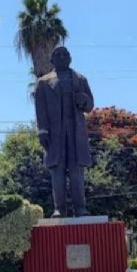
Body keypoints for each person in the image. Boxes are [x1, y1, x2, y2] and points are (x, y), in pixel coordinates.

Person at [34, 46, 93, 217]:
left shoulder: (80, 79)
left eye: (65, 54)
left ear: (70, 58)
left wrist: (84, 99)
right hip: (54, 133)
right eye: (58, 55)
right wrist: (42, 130)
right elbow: (40, 109)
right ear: (52, 60)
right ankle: (59, 208)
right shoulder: (44, 82)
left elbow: (90, 105)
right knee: (57, 170)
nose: (62, 57)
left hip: (76, 132)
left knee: (77, 171)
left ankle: (80, 207)